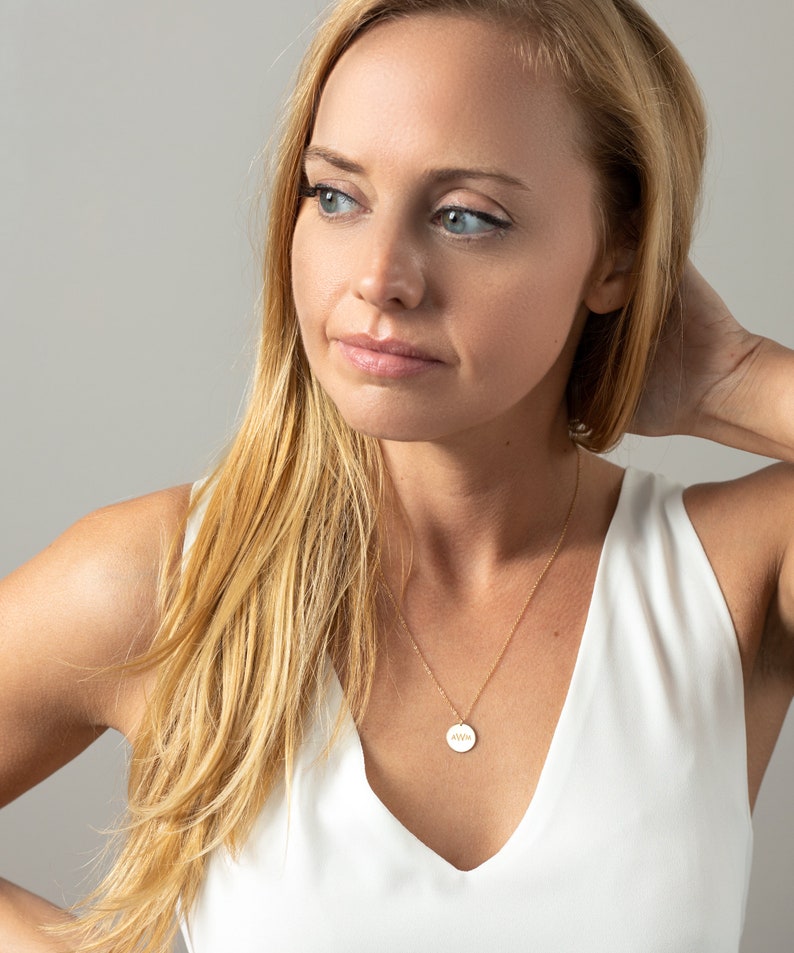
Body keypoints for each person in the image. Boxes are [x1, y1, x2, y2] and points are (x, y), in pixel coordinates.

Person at [1, 0, 792, 950]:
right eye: (336, 196)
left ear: (617, 251)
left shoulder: (738, 575)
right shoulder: (172, 583)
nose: (379, 277)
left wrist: (741, 378)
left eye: (466, 216)